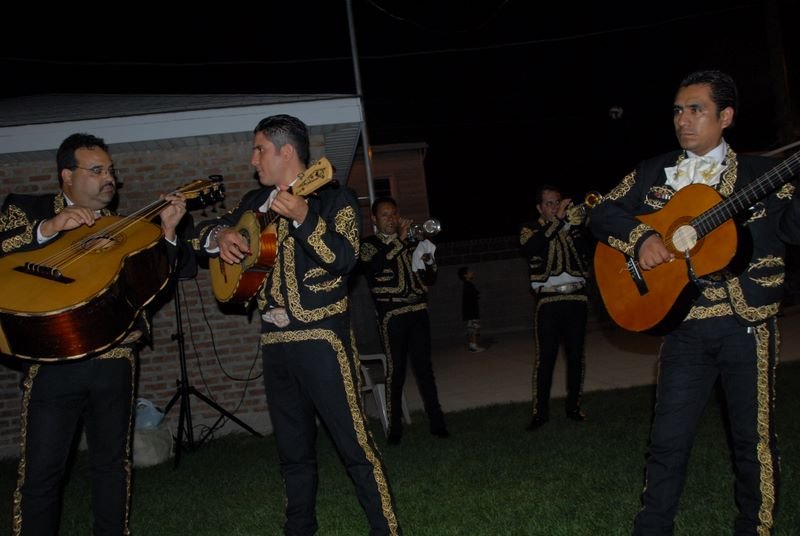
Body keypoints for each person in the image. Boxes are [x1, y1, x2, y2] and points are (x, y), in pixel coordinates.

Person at [589, 70, 800, 535]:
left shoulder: (763, 176)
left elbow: (792, 231)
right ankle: (653, 527)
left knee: (752, 441)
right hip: (682, 327)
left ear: (725, 117)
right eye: (678, 110)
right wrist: (640, 237)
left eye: (696, 110)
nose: (683, 120)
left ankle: (755, 528)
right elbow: (601, 210)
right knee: (667, 439)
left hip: (745, 324)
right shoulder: (653, 172)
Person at [191, 114, 401, 535]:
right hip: (275, 343)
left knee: (355, 447)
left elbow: (346, 259)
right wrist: (220, 237)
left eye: (259, 150)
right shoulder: (254, 201)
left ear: (286, 151)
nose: (253, 160)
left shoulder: (335, 197)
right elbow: (200, 234)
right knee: (292, 453)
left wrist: (305, 217)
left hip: (322, 340)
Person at [0, 132, 189, 535]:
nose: (110, 179)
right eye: (98, 170)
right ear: (66, 176)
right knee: (42, 471)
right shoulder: (28, 209)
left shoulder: (124, 228)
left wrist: (168, 233)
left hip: (114, 360)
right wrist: (48, 227)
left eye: (111, 171)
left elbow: (152, 284)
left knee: (112, 467)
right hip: (53, 360)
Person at [359, 197, 449, 444]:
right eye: (385, 215)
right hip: (392, 315)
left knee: (424, 369)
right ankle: (395, 428)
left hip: (418, 310)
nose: (391, 219)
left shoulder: (411, 243)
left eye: (394, 214)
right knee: (396, 371)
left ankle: (438, 423)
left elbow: (429, 278)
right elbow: (375, 267)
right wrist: (399, 239)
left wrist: (427, 256)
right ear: (374, 219)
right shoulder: (369, 245)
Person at [519, 184, 591, 431]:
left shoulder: (573, 225)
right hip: (548, 301)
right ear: (540, 207)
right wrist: (558, 222)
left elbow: (587, 252)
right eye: (549, 203)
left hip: (576, 298)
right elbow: (531, 248)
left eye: (557, 202)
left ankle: (574, 407)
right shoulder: (530, 228)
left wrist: (575, 227)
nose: (555, 206)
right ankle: (540, 412)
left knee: (576, 356)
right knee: (546, 358)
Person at [458, 266, 486, 352]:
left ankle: (472, 345)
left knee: (472, 328)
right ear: (465, 275)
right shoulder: (468, 285)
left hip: (470, 311)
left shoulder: (468, 284)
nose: (472, 273)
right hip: (472, 311)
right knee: (474, 328)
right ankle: (473, 346)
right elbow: (472, 297)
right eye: (469, 272)